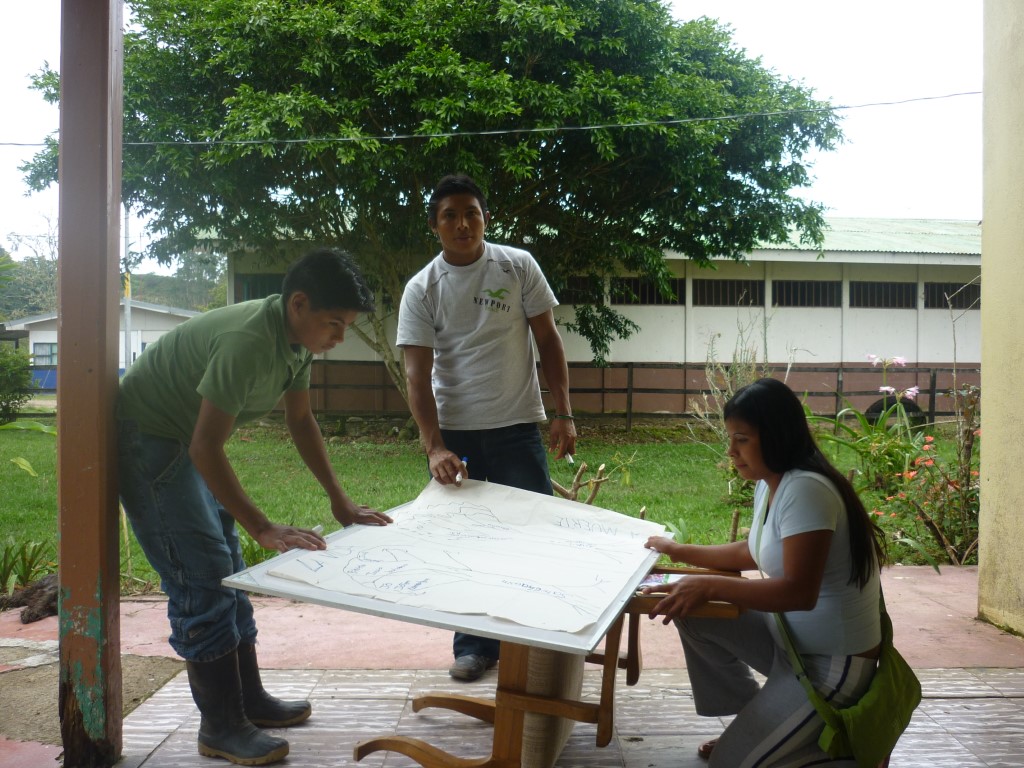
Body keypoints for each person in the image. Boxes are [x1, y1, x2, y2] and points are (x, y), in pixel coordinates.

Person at [117, 248, 393, 766]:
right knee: (202, 576)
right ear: (299, 304)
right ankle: (221, 727)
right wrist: (263, 526)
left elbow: (301, 420)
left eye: (347, 326)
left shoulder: (296, 342)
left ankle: (248, 702)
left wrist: (341, 502)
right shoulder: (248, 340)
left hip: (183, 438)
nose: (339, 337)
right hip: (149, 438)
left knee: (228, 568)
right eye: (334, 324)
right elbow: (205, 447)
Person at [643, 378, 885, 767]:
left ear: (775, 436)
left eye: (741, 439)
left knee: (729, 763)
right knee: (695, 614)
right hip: (789, 644)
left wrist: (709, 585)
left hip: (831, 667)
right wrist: (679, 550)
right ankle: (757, 720)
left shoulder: (807, 489)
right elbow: (754, 551)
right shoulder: (771, 483)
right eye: (730, 439)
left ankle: (847, 753)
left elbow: (798, 593)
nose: (731, 451)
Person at [397, 173, 577, 682]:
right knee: (465, 545)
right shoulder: (422, 288)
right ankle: (474, 647)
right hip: (457, 436)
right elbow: (416, 376)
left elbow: (549, 340)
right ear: (434, 225)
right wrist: (433, 447)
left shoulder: (517, 266)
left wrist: (563, 411)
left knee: (533, 537)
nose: (463, 224)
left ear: (486, 218)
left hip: (517, 427)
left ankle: (536, 640)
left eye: (471, 213)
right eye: (450, 216)